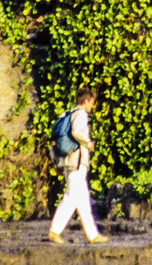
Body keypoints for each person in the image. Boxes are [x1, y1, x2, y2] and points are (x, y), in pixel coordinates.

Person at [47, 89, 108, 243]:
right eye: (92, 103)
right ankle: (55, 231)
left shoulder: (67, 114)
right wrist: (88, 143)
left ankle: (93, 235)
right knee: (71, 197)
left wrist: (57, 162)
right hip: (77, 162)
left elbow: (55, 139)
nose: (92, 106)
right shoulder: (80, 114)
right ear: (86, 101)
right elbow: (76, 133)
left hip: (69, 161)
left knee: (83, 200)